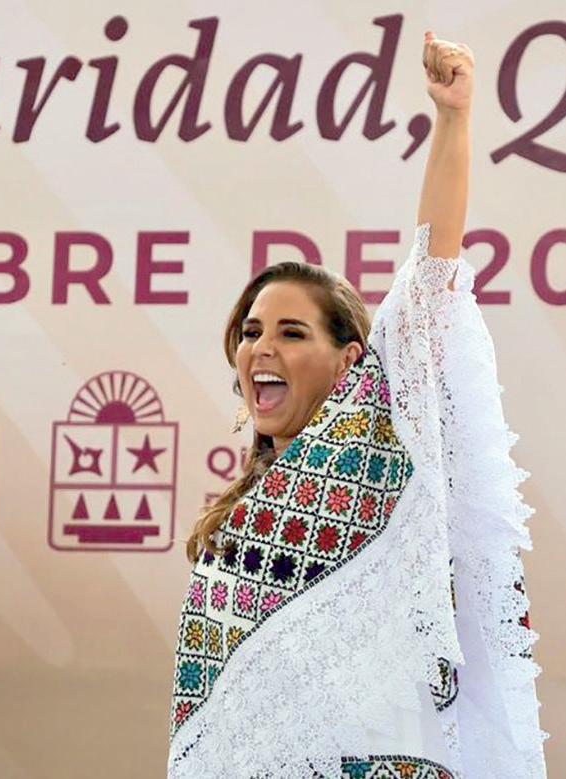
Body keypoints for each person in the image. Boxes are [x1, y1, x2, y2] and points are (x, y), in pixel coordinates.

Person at [168, 33, 546, 778]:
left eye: (291, 332)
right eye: (251, 332)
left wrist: (453, 118)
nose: (261, 348)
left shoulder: (373, 446)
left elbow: (431, 270)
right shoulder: (237, 516)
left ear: (349, 362)